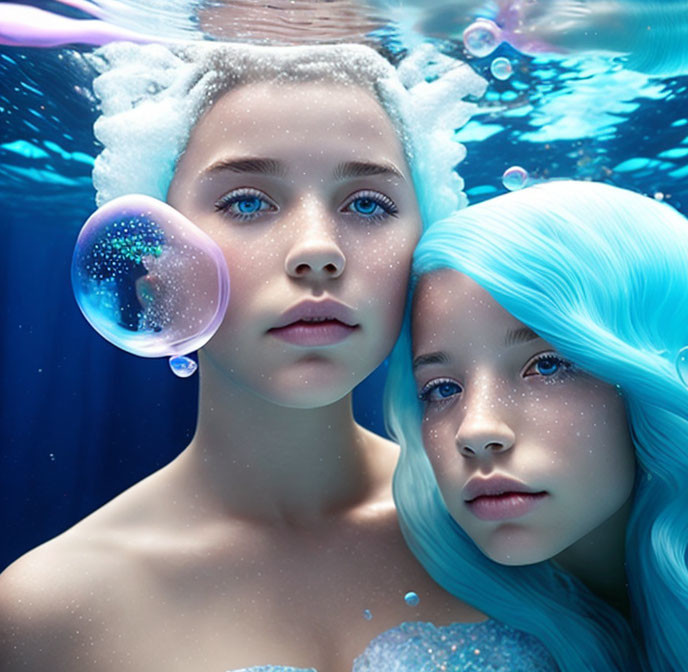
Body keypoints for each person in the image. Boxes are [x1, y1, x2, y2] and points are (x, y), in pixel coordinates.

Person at [0, 40, 560, 672]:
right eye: (247, 202)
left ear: (421, 249)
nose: (318, 250)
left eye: (367, 204)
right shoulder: (47, 611)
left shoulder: (527, 524)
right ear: (152, 265)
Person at [384, 180, 688, 671]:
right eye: (441, 389)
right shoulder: (426, 616)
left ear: (656, 383)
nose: (475, 430)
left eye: (548, 365)